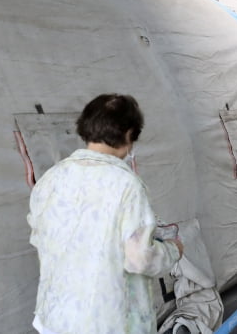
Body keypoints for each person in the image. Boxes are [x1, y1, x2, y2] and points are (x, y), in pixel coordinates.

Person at [27, 94, 184, 334]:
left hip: (56, 317)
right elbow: (139, 258)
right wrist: (173, 249)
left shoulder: (50, 179)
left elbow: (40, 238)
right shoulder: (126, 184)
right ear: (130, 134)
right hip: (109, 322)